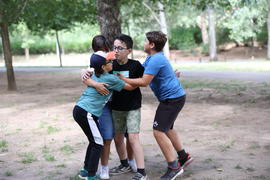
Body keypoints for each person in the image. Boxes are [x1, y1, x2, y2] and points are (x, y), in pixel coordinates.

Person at [117, 31, 193, 180]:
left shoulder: (156, 59)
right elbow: (141, 72)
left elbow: (144, 82)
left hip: (172, 99)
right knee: (167, 128)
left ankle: (174, 167)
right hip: (173, 98)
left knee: (158, 131)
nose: (144, 43)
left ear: (152, 45)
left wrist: (123, 79)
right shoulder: (152, 58)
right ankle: (183, 157)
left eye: (146, 41)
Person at [79, 35, 138, 180]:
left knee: (129, 136)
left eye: (118, 48)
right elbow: (86, 75)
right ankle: (99, 169)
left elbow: (136, 81)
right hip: (104, 107)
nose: (113, 52)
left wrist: (141, 80)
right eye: (113, 48)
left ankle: (129, 162)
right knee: (104, 138)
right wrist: (95, 84)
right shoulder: (103, 62)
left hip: (125, 106)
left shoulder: (119, 62)